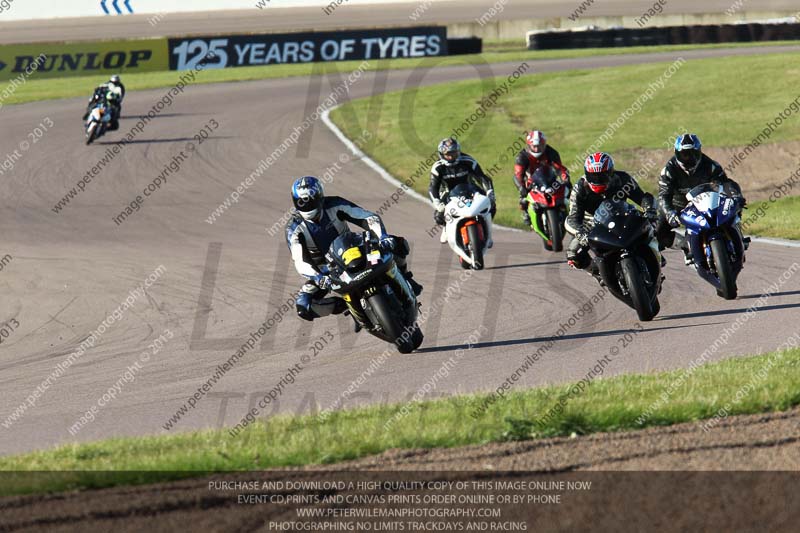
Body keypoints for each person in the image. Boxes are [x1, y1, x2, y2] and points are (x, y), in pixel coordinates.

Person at [286, 177, 423, 328]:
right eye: (302, 202)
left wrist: (383, 237)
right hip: (326, 271)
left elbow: (367, 217)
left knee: (397, 243)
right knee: (304, 306)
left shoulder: (335, 204)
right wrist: (318, 277)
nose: (307, 206)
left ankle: (406, 277)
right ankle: (345, 305)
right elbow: (300, 260)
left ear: (320, 197)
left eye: (310, 201)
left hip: (353, 249)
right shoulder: (293, 228)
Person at [565, 152, 659, 272]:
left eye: (602, 176)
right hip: (592, 224)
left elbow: (642, 198)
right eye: (593, 176)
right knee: (573, 254)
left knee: (653, 226)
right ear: (587, 173)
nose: (598, 180)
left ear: (611, 172)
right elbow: (573, 219)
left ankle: (655, 255)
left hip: (623, 215)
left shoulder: (623, 179)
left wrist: (650, 211)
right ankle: (596, 273)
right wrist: (580, 233)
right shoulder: (580, 188)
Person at [656, 133, 745, 259]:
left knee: (733, 207)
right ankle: (685, 244)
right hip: (679, 205)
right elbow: (663, 195)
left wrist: (736, 196)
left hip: (705, 200)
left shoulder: (710, 165)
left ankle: (737, 234)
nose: (689, 158)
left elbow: (725, 183)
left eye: (693, 154)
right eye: (685, 154)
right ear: (677, 153)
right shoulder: (668, 171)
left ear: (699, 152)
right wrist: (670, 213)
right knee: (658, 231)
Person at [429, 138, 496, 231]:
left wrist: (489, 192)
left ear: (458, 152)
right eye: (448, 154)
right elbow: (433, 187)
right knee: (439, 216)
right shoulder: (438, 167)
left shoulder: (468, 161)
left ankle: (485, 228)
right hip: (448, 192)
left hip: (470, 189)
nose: (451, 157)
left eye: (453, 153)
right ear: (441, 154)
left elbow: (482, 177)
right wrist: (438, 203)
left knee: (491, 206)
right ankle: (447, 231)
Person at [514, 130, 571, 226]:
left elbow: (560, 169)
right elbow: (518, 174)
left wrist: (566, 179)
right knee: (523, 199)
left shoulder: (551, 152)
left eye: (540, 146)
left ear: (544, 144)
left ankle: (568, 212)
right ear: (529, 145)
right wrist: (521, 187)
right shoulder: (522, 157)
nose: (537, 149)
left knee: (568, 191)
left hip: (550, 180)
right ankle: (526, 213)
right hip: (531, 182)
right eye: (534, 146)